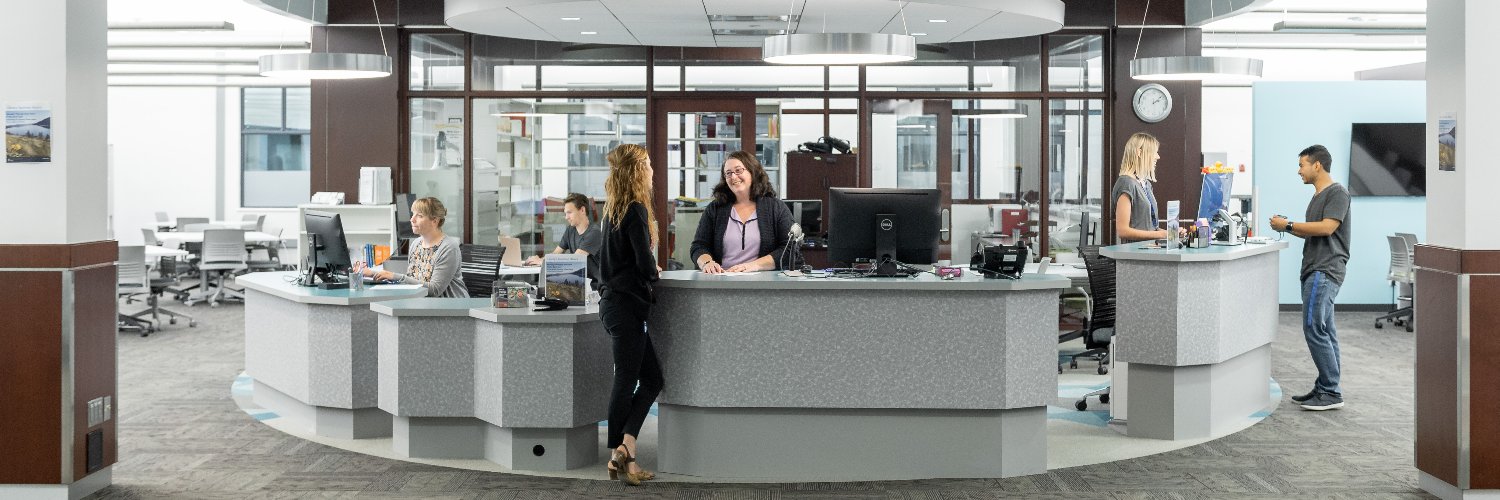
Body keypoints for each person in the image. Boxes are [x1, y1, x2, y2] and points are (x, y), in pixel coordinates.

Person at [598, 143, 661, 486]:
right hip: (625, 306)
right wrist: (655, 272)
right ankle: (618, 455)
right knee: (625, 380)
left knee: (651, 380)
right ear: (638, 171)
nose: (652, 170)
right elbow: (642, 262)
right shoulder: (634, 209)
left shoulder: (611, 210)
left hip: (613, 304)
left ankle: (626, 451)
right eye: (648, 165)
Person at [1270, 144, 1351, 411]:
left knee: (1313, 328)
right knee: (1325, 329)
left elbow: (1328, 228)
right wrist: (1288, 226)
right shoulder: (1318, 196)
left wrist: (1288, 225)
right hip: (1316, 269)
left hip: (1324, 270)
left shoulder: (1337, 192)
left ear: (1317, 165)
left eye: (1302, 165)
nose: (1299, 170)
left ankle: (1330, 391)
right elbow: (1312, 231)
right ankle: (1329, 386)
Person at [690, 150, 794, 273]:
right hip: (722, 280)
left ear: (752, 171)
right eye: (728, 173)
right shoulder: (715, 209)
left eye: (738, 170)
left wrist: (752, 266)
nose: (733, 177)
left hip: (763, 283)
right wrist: (707, 263)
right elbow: (699, 246)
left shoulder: (776, 208)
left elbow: (790, 249)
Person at [363, 197, 468, 298]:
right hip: (421, 303)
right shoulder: (416, 244)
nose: (412, 219)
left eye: (420, 216)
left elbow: (435, 290)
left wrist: (395, 276)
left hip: (450, 308)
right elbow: (413, 280)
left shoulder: (449, 248)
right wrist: (374, 274)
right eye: (413, 214)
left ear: (435, 221)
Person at [1111, 132, 1184, 243]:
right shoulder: (1126, 183)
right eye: (1154, 152)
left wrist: (1171, 234)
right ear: (1139, 152)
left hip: (1149, 249)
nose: (1158, 157)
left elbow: (1149, 228)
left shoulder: (1146, 184)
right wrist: (1160, 234)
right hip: (1135, 254)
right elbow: (1123, 231)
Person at [525, 193, 602, 290]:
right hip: (577, 285)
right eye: (565, 213)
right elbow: (556, 253)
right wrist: (540, 259)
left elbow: (575, 260)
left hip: (594, 289)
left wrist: (542, 262)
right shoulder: (570, 230)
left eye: (569, 212)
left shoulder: (594, 232)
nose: (566, 217)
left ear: (582, 210)